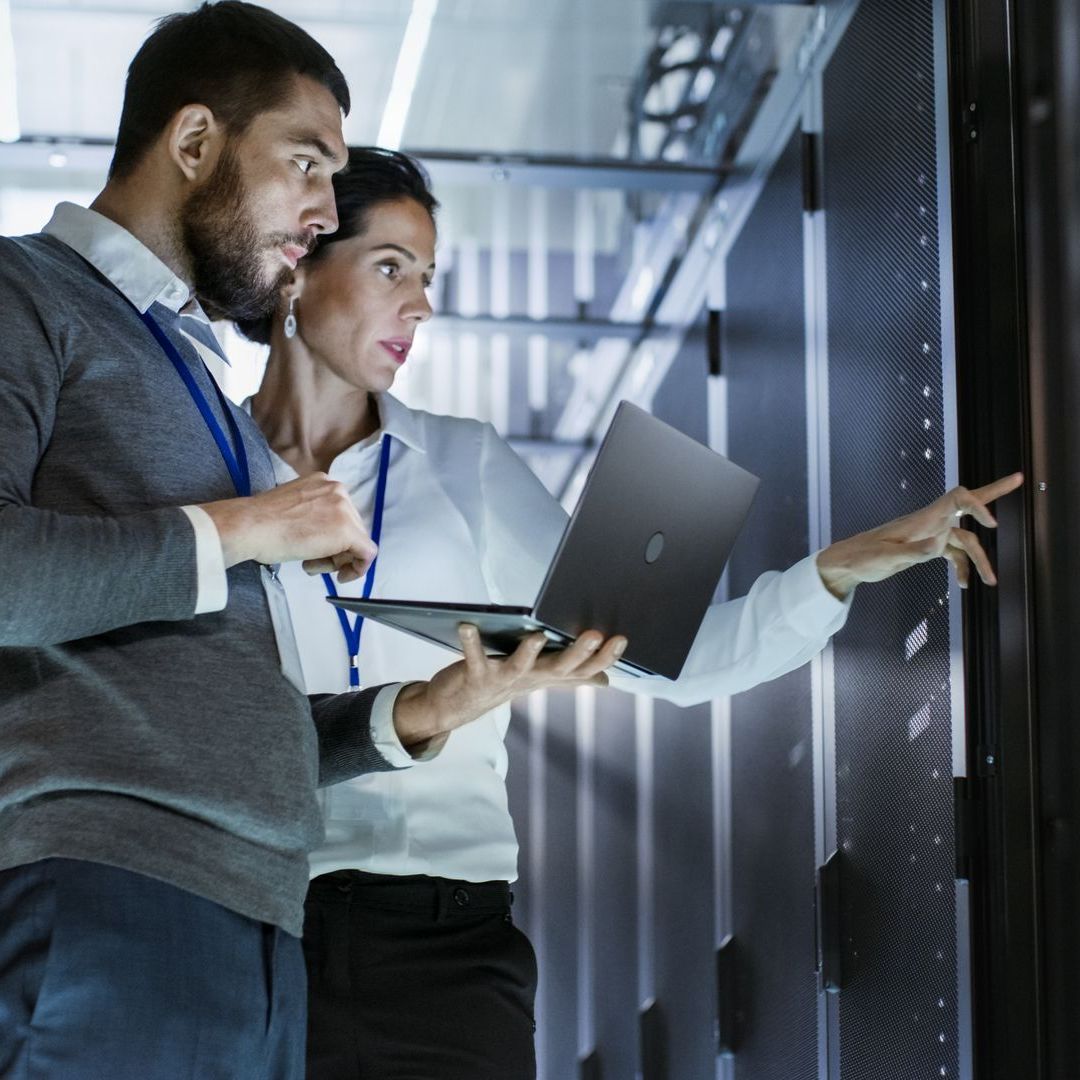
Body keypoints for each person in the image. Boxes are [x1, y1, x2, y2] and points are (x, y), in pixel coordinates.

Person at [243, 146, 1024, 1080]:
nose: (421, 304)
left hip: (444, 945)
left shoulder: (465, 465)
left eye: (428, 277)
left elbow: (669, 660)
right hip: (251, 928)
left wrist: (838, 570)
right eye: (389, 268)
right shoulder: (204, 472)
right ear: (300, 265)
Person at [0, 8, 625, 1080]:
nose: (321, 211)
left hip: (258, 928)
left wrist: (423, 711)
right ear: (194, 144)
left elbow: (225, 701)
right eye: (306, 163)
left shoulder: (193, 375)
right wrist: (256, 523)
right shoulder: (25, 294)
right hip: (110, 894)